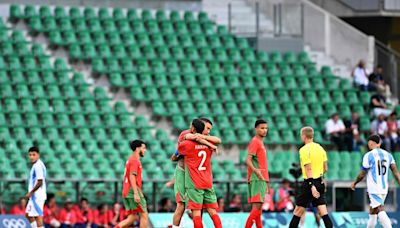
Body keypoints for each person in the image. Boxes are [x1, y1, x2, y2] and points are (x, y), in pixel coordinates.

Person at [168, 118, 221, 228]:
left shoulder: (197, 140)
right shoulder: (186, 135)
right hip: (184, 172)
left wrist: (205, 139)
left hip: (194, 176)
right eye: (207, 128)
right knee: (181, 205)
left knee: (198, 208)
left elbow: (174, 156)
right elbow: (194, 138)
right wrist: (211, 145)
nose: (209, 132)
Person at [351, 135, 400, 228]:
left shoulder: (368, 155)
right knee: (372, 211)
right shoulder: (389, 155)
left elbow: (362, 173)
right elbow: (395, 172)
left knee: (380, 209)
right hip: (384, 188)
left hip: (374, 187)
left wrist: (355, 183)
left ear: (371, 143)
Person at [288, 127, 333, 228]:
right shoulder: (320, 148)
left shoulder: (304, 150)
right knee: (324, 213)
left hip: (309, 183)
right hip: (320, 181)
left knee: (297, 212)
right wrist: (319, 177)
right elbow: (325, 168)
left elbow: (308, 169)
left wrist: (312, 185)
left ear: (303, 136)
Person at [116, 140, 148, 228]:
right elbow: (132, 176)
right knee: (144, 215)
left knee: (132, 218)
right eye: (143, 148)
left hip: (126, 191)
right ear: (138, 149)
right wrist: (136, 193)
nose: (145, 150)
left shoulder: (131, 159)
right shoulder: (134, 160)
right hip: (132, 190)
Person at [245, 119, 270, 228]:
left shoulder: (260, 142)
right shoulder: (255, 141)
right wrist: (256, 171)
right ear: (256, 129)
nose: (265, 130)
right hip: (257, 178)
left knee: (258, 209)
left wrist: (266, 181)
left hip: (261, 179)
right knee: (256, 208)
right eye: (262, 128)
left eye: (266, 128)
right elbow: (248, 159)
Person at [25, 146, 47, 228]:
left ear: (38, 155)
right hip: (35, 196)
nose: (31, 157)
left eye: (34, 155)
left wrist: (31, 192)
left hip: (37, 195)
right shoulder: (37, 164)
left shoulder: (37, 166)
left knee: (38, 216)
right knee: (28, 215)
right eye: (30, 155)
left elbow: (40, 181)